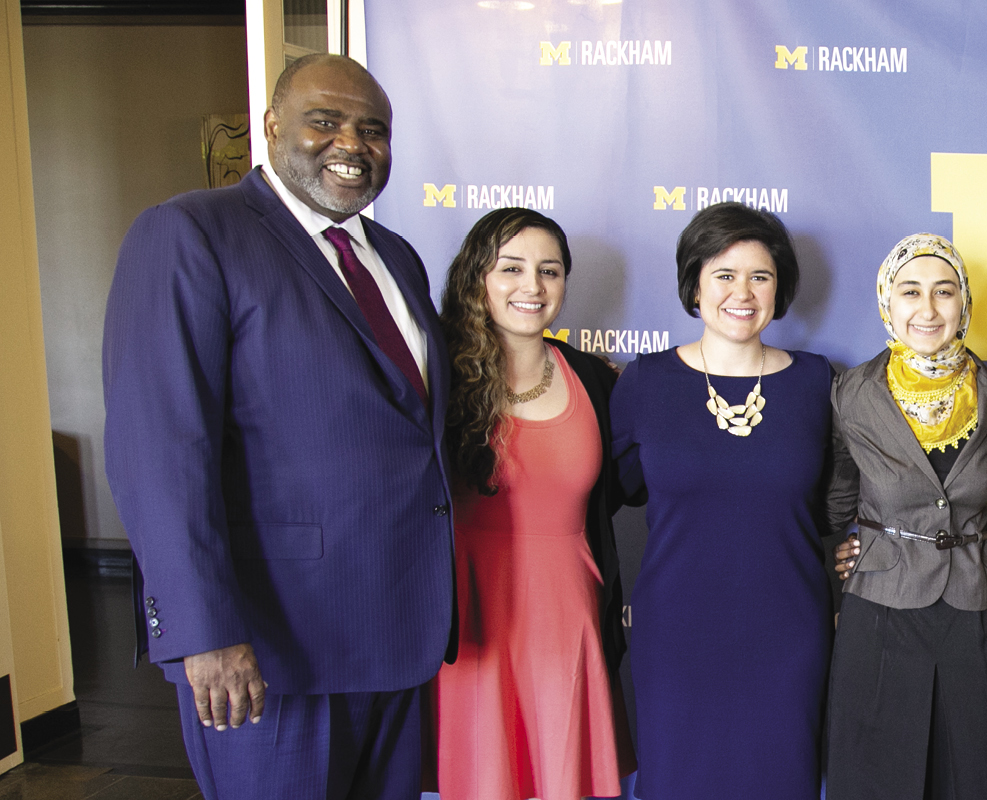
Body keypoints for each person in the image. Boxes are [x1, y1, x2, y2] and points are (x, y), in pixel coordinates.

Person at [102, 54, 452, 798]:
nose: (352, 144)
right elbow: (159, 452)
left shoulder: (396, 258)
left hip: (396, 635)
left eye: (373, 130)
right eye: (324, 121)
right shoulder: (190, 233)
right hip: (268, 651)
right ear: (270, 126)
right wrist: (203, 632)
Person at [610, 201, 836, 799]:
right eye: (724, 275)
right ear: (695, 285)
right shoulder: (645, 383)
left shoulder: (817, 382)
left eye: (760, 276)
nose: (743, 292)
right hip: (677, 636)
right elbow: (609, 488)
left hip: (787, 634)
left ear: (779, 289)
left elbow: (846, 497)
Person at [433, 208, 634, 799]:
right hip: (468, 621)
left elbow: (645, 484)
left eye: (550, 270)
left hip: (568, 620)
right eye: (511, 268)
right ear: (476, 277)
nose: (533, 285)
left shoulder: (597, 382)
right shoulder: (435, 377)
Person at [825, 234, 987, 800]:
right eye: (910, 291)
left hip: (979, 599)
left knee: (972, 772)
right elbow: (835, 499)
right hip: (880, 602)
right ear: (887, 301)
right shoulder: (850, 392)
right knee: (876, 774)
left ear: (965, 302)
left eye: (944, 291)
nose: (928, 309)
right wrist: (841, 548)